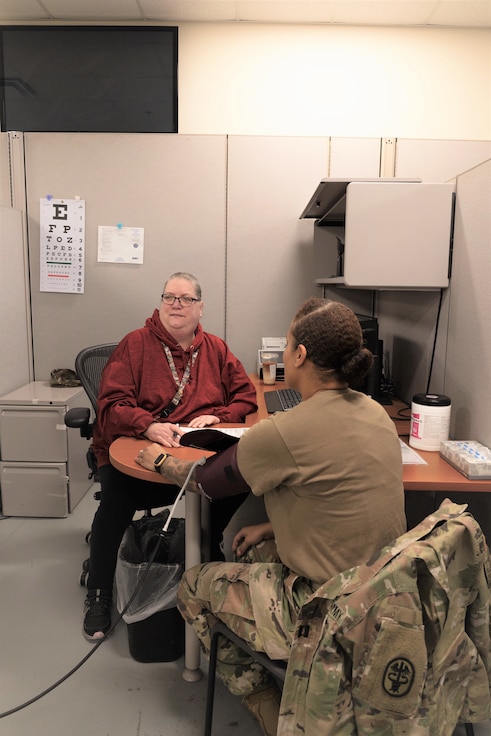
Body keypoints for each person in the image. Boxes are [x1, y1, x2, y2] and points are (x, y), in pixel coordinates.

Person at [136, 297, 406, 736]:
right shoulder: (376, 413)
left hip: (327, 610)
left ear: (299, 356)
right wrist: (273, 525)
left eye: (287, 344)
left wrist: (158, 461)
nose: (283, 352)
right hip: (384, 593)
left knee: (194, 588)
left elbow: (205, 482)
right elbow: (336, 499)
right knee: (256, 544)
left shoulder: (284, 430)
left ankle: (273, 710)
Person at [83, 272, 257, 642]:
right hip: (138, 451)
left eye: (186, 298)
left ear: (200, 307)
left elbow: (246, 396)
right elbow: (111, 405)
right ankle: (99, 591)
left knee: (241, 478)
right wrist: (147, 425)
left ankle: (205, 547)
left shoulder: (216, 349)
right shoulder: (135, 344)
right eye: (170, 297)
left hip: (193, 451)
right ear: (161, 303)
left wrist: (219, 416)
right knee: (116, 500)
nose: (176, 304)